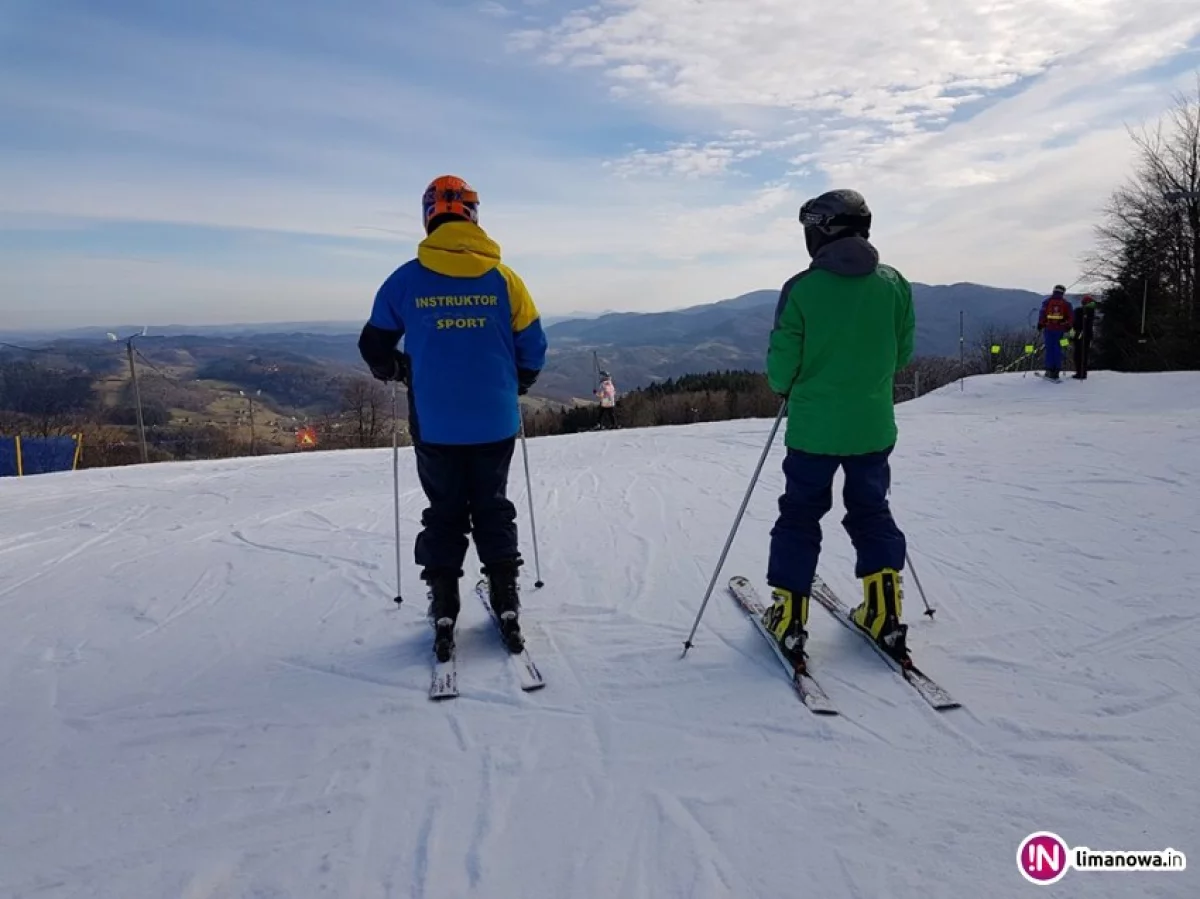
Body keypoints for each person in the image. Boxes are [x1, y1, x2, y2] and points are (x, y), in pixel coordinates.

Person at [357, 175, 547, 661]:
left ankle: (444, 608)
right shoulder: (505, 280)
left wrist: (401, 370)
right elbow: (534, 346)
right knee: (492, 505)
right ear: (473, 217)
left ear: (429, 217)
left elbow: (373, 346)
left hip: (436, 423)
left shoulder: (405, 279)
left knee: (445, 511)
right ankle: (505, 600)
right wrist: (518, 382)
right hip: (495, 419)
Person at [762, 188, 915, 670]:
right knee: (872, 510)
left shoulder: (802, 289)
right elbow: (903, 353)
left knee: (801, 514)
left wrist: (795, 384)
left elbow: (781, 371)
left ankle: (788, 617)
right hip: (872, 425)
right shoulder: (894, 284)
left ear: (821, 231)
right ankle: (883, 610)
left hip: (813, 431)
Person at [1037, 285, 1074, 379]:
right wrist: (1068, 326)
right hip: (1060, 329)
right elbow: (1071, 317)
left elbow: (1042, 313)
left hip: (1048, 328)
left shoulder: (1047, 301)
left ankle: (1048, 370)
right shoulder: (1066, 303)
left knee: (1049, 349)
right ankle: (1056, 371)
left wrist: (1040, 324)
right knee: (1057, 349)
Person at [1071, 294, 1097, 379]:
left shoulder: (1078, 311)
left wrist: (1071, 336)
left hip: (1079, 335)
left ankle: (1079, 373)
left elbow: (1074, 324)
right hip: (1088, 336)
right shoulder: (1092, 311)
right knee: (1084, 354)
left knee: (1078, 354)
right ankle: (1083, 372)